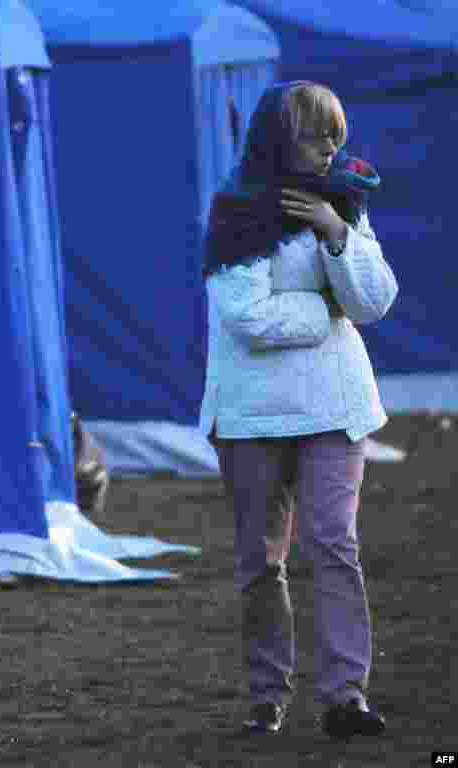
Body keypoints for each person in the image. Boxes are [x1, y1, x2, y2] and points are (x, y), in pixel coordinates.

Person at [199, 81, 398, 739]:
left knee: (334, 545)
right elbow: (247, 315)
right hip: (253, 415)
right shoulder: (235, 212)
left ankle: (346, 697)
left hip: (333, 407)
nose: (329, 150)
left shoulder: (342, 201)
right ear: (279, 137)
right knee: (262, 561)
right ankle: (267, 697)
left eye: (335, 137)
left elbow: (372, 303)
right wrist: (323, 308)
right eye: (316, 137)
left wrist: (337, 233)